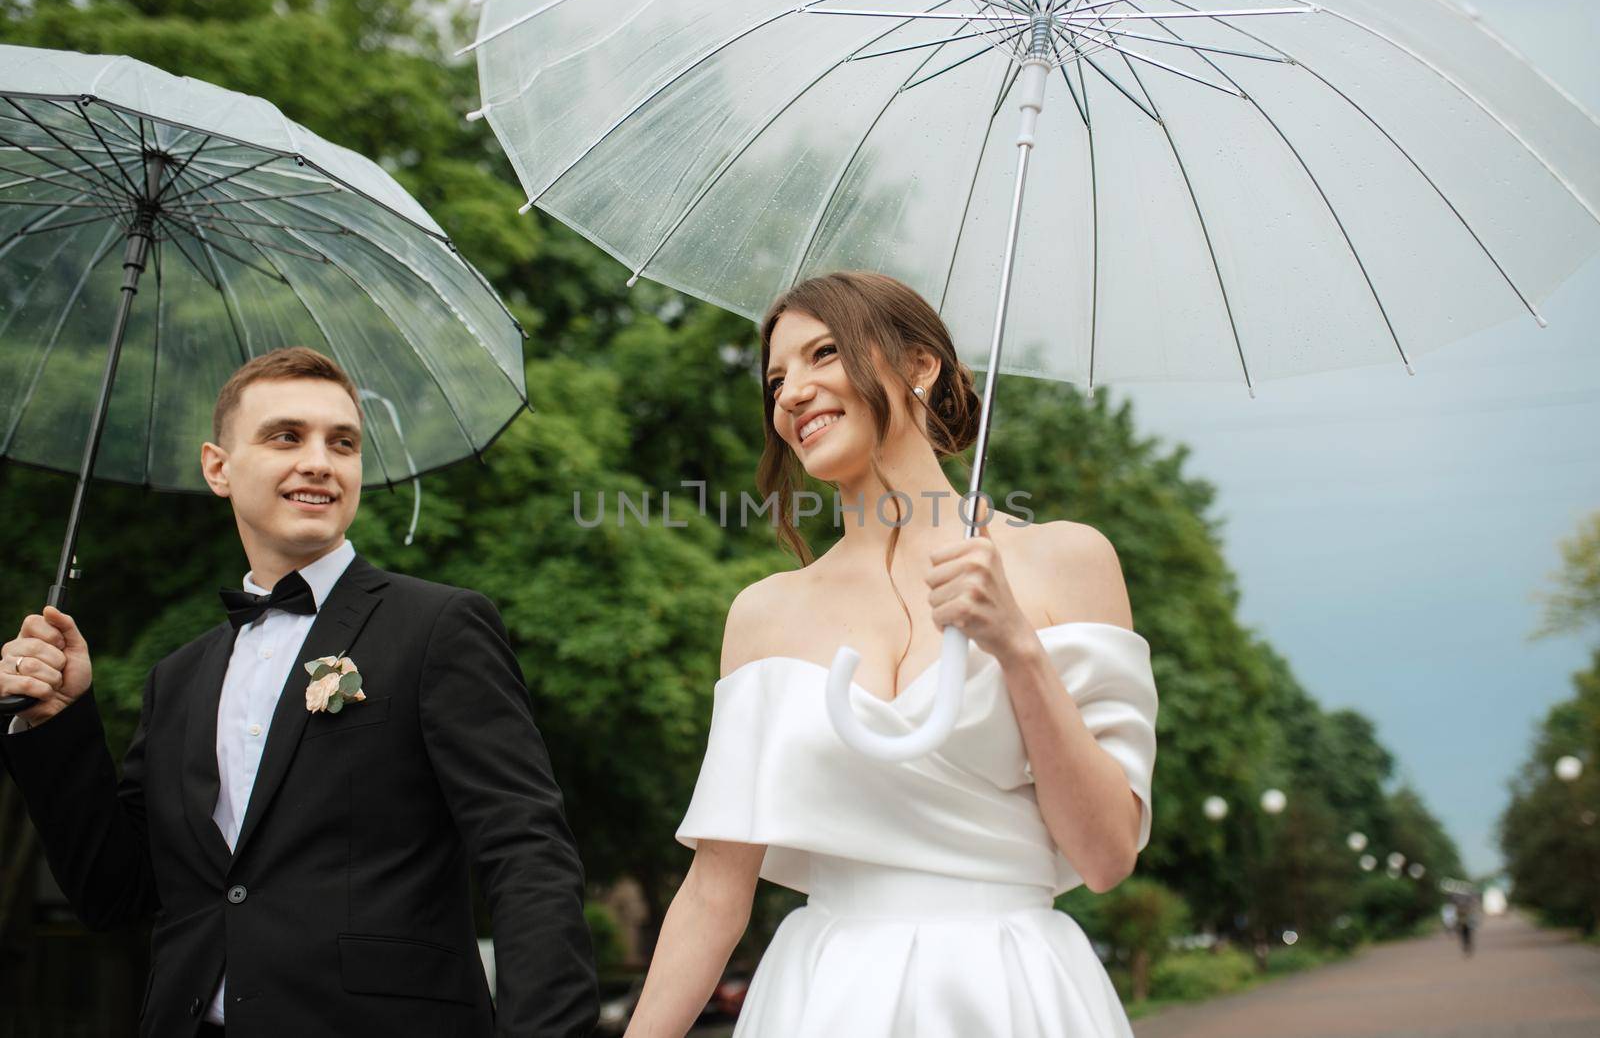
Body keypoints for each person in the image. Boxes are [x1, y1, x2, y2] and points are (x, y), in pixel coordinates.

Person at [0, 347, 599, 1038]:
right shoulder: (179, 678)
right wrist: (55, 722)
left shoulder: (438, 626)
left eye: (341, 443)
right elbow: (116, 892)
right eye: (286, 436)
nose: (319, 460)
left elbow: (527, 853)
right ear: (217, 467)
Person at [623, 272, 1158, 1037]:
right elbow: (714, 893)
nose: (792, 394)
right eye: (777, 379)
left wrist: (1018, 650)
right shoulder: (763, 615)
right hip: (825, 1000)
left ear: (918, 365)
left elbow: (1106, 856)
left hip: (1010, 993)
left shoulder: (1065, 561)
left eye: (825, 354)